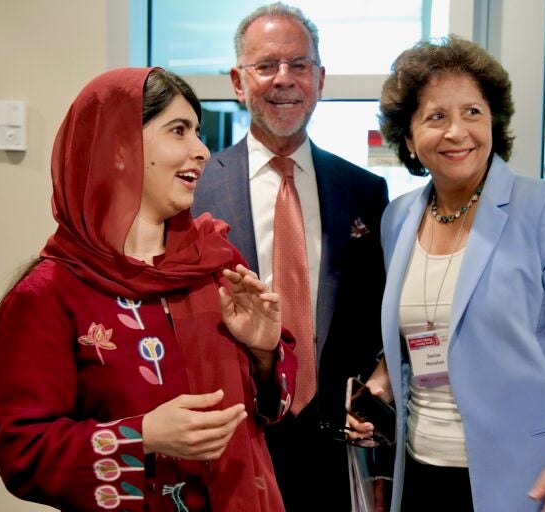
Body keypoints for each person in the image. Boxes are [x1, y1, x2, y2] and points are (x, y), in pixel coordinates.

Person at [0, 67, 297, 511]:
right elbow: (21, 450)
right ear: (119, 149)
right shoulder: (49, 294)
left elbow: (269, 409)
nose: (201, 150)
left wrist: (264, 353)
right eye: (178, 131)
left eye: (197, 132)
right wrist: (141, 436)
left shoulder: (217, 263)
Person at [347, 35, 545, 511]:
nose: (457, 131)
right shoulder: (398, 217)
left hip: (532, 478)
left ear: (493, 123)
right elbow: (422, 333)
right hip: (420, 470)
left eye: (472, 112)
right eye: (436, 117)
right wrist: (382, 383)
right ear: (409, 138)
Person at [190, 3, 389, 510]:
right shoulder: (194, 191)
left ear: (319, 79)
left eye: (299, 65)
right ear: (238, 82)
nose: (284, 79)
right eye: (266, 65)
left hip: (335, 446)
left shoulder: (364, 191)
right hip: (231, 437)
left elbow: (376, 313)